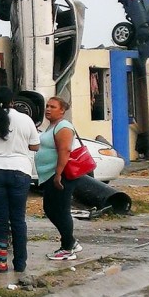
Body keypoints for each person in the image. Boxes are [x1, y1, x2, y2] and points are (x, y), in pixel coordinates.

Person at [0, 87, 41, 273]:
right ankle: (20, 264)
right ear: (13, 102)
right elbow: (35, 145)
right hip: (20, 171)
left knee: (1, 218)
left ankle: (1, 263)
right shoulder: (25, 119)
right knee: (18, 219)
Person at [36, 96, 83, 261]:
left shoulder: (63, 126)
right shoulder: (51, 126)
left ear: (62, 110)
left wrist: (58, 174)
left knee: (60, 210)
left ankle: (67, 247)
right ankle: (71, 241)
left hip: (60, 175)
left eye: (53, 107)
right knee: (50, 209)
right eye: (47, 106)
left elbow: (65, 151)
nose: (48, 109)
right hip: (49, 175)